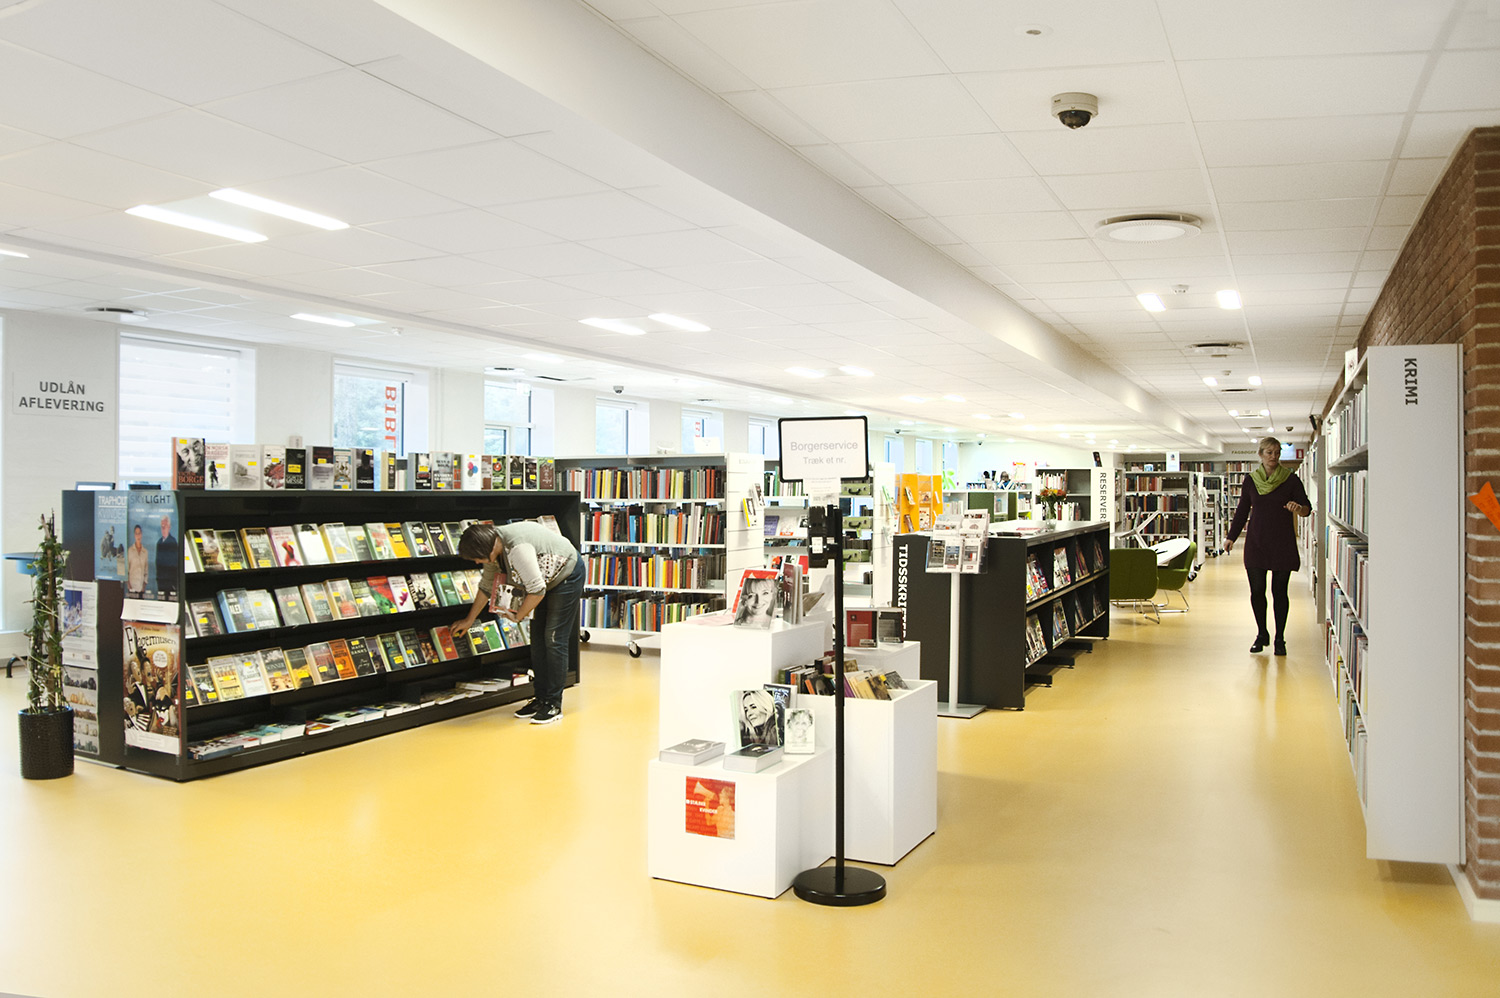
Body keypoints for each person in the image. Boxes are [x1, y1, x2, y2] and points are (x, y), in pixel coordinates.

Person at [452, 520, 582, 725]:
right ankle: (540, 699)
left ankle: (553, 704)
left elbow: (537, 590)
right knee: (537, 641)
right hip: (543, 580)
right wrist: (469, 620)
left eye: (477, 558)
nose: (476, 562)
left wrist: (518, 616)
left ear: (487, 549)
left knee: (554, 638)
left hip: (567, 574)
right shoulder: (493, 546)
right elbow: (486, 586)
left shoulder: (517, 549)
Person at [1225, 436, 1312, 655]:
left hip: (1282, 542)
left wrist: (1298, 508)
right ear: (1261, 455)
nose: (1273, 457)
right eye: (1269, 452)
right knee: (1257, 591)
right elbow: (1242, 510)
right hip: (1257, 542)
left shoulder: (1290, 480)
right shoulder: (1251, 480)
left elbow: (1307, 508)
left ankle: (1280, 638)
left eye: (1277, 453)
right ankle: (1262, 633)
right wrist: (1231, 537)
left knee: (1279, 592)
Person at [154, 515, 178, 599]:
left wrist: (173, 584)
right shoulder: (159, 542)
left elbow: (174, 564)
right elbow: (157, 562)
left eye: (165, 526)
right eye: (162, 526)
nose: (163, 529)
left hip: (170, 582)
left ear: (169, 527)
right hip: (161, 581)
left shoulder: (173, 542)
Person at [125, 525, 148, 597]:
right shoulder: (130, 551)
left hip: (141, 589)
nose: (138, 535)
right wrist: (129, 585)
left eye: (139, 533)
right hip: (132, 588)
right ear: (134, 535)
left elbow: (146, 570)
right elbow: (126, 570)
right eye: (136, 533)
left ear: (141, 534)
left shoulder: (145, 552)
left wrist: (144, 586)